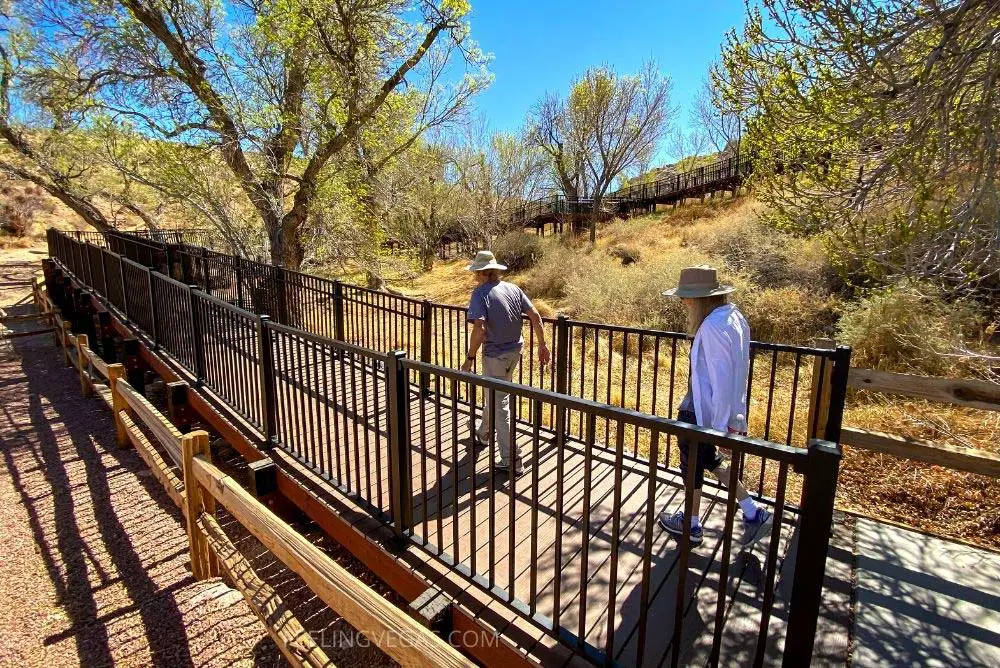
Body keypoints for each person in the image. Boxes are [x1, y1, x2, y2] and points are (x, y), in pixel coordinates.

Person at [658, 266, 772, 549]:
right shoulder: (733, 317)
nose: (684, 303)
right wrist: (732, 419)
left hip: (700, 409)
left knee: (692, 466)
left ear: (701, 298)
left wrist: (723, 428)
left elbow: (721, 378)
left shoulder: (712, 327)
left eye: (687, 298)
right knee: (711, 461)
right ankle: (752, 511)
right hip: (715, 409)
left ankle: (691, 524)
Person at [460, 250, 550, 476]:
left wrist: (469, 358)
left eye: (476, 273)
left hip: (495, 356)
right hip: (514, 352)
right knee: (496, 393)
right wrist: (542, 344)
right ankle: (483, 433)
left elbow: (479, 329)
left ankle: (512, 459)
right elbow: (536, 317)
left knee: (501, 406)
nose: (475, 277)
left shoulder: (480, 293)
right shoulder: (513, 289)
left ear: (481, 273)